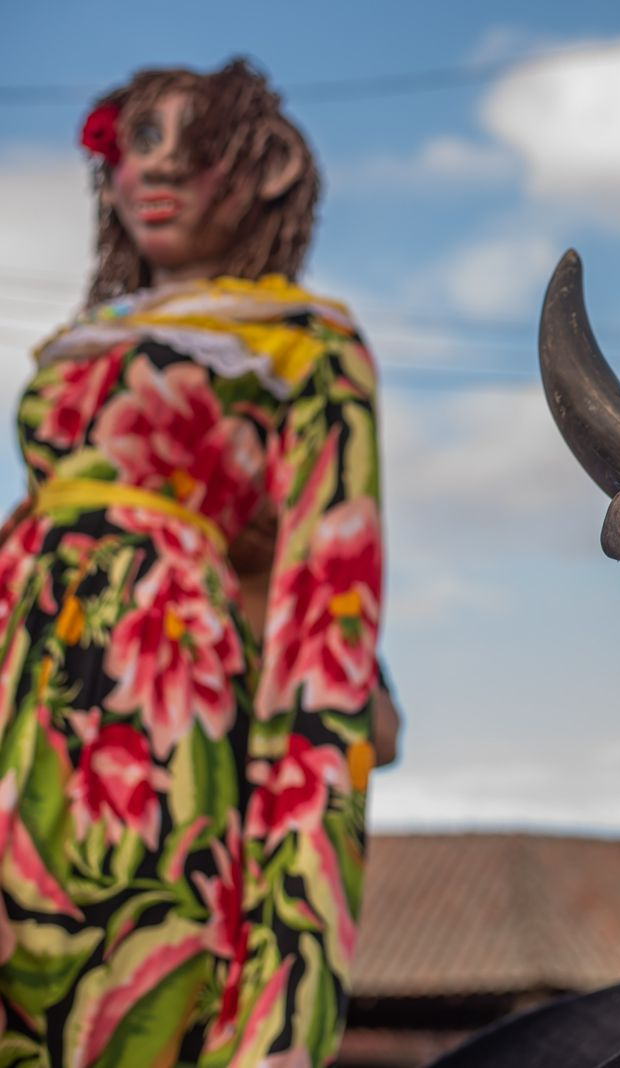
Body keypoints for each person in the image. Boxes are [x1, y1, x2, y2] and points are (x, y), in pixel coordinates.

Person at [0, 59, 381, 1066]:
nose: (156, 169)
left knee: (133, 927)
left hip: (161, 679)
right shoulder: (77, 341)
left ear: (265, 171)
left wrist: (313, 763)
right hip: (19, 662)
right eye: (137, 143)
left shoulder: (305, 343)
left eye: (191, 144)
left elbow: (330, 579)